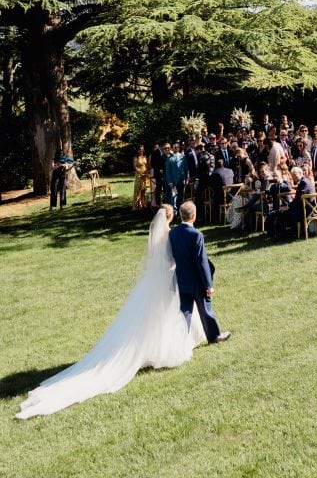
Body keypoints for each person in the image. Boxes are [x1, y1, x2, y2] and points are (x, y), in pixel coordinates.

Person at [16, 206, 206, 419]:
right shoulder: (169, 235)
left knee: (150, 317)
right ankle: (162, 350)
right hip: (165, 280)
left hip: (152, 281)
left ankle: (153, 348)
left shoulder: (155, 236)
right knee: (163, 315)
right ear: (170, 217)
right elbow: (171, 260)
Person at [169, 201, 230, 344]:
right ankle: (214, 336)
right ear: (194, 216)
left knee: (185, 312)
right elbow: (201, 261)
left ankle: (179, 341)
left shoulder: (173, 233)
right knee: (205, 309)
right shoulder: (196, 235)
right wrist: (209, 284)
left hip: (181, 277)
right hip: (197, 279)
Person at [132, 146, 150, 210]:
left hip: (145, 175)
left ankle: (143, 203)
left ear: (144, 150)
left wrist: (147, 172)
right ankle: (136, 205)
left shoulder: (145, 157)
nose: (141, 150)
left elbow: (147, 166)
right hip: (139, 175)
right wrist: (140, 173)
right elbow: (135, 166)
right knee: (138, 190)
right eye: (140, 149)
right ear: (138, 150)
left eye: (142, 149)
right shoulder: (136, 157)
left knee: (144, 190)